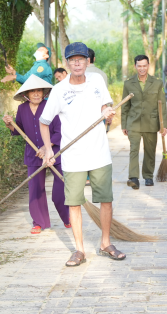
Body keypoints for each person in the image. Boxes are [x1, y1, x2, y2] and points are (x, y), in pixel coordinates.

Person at [38, 42, 126, 266]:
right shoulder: (59, 90)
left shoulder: (96, 81)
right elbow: (44, 122)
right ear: (67, 63)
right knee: (74, 203)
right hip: (73, 157)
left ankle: (106, 243)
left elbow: (105, 107)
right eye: (72, 59)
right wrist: (49, 149)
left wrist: (107, 113)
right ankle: (79, 250)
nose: (77, 63)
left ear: (88, 61)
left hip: (99, 153)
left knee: (106, 200)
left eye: (81, 59)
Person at [2, 75, 70, 233]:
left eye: (39, 90)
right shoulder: (22, 109)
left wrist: (47, 147)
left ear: (44, 92)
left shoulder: (51, 106)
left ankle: (67, 218)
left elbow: (60, 131)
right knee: (35, 190)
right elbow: (18, 130)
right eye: (33, 91)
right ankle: (39, 222)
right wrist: (9, 124)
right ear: (26, 94)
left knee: (60, 190)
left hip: (55, 153)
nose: (36, 94)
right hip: (33, 155)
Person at [120, 55, 167, 189]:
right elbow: (125, 106)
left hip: (151, 123)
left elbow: (162, 105)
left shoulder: (157, 83)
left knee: (150, 151)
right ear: (135, 66)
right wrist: (124, 124)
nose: (142, 68)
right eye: (139, 66)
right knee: (134, 150)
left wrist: (163, 126)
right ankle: (133, 177)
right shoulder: (128, 84)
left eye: (144, 65)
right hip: (133, 122)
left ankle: (148, 176)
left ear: (148, 66)